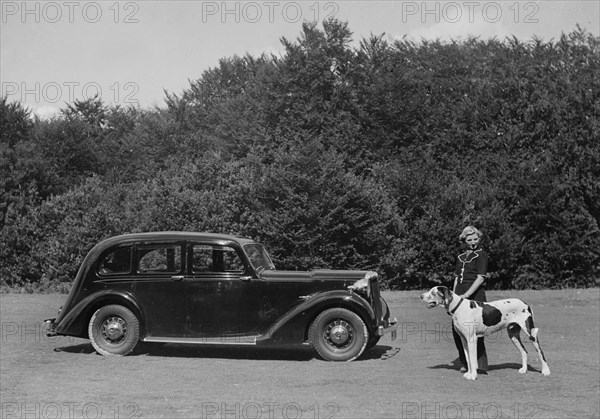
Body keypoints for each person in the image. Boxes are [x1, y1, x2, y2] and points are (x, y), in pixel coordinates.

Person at [452, 226, 489, 373]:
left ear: (479, 239)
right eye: (469, 240)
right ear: (464, 241)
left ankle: (479, 365)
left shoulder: (481, 255)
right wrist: (453, 297)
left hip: (475, 295)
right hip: (459, 294)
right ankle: (465, 362)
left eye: (475, 239)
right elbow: (456, 278)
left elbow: (480, 278)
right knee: (457, 330)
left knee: (475, 331)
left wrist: (467, 295)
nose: (473, 242)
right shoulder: (460, 257)